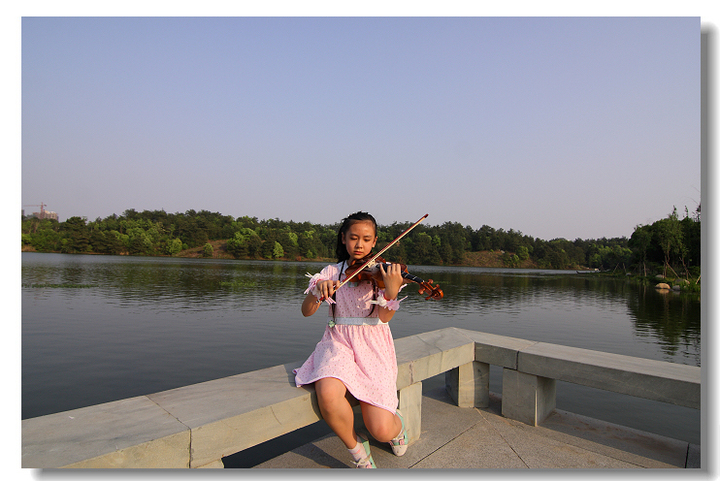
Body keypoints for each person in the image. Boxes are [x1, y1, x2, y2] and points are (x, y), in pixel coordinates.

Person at [294, 211, 409, 468]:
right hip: (338, 343)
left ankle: (397, 425)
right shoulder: (332, 271)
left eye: (366, 239)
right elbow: (306, 311)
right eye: (354, 238)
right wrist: (317, 292)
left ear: (374, 242)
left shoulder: (381, 273)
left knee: (380, 429)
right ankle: (357, 449)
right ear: (343, 239)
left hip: (372, 345)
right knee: (327, 393)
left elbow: (385, 317)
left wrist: (391, 289)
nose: (359, 245)